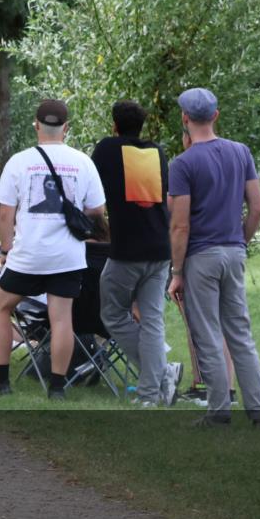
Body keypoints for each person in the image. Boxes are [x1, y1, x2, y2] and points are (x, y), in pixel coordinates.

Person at [0, 99, 105, 400]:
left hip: (28, 255)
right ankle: (57, 388)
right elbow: (97, 211)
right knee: (61, 318)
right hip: (67, 256)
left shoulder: (19, 161)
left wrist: (5, 251)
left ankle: (0, 380)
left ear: (36, 125)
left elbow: (5, 215)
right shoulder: (84, 162)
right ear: (66, 128)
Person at [166, 88, 260, 429]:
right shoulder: (240, 152)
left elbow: (180, 225)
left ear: (185, 118)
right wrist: (239, 241)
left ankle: (219, 411)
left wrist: (177, 271)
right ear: (216, 115)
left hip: (200, 258)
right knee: (240, 333)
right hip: (233, 252)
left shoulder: (182, 165)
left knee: (209, 335)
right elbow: (257, 208)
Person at [92, 100, 181, 407]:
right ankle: (151, 392)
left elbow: (93, 190)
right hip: (160, 248)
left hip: (127, 250)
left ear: (115, 125)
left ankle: (158, 377)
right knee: (153, 320)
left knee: (113, 314)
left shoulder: (106, 149)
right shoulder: (157, 152)